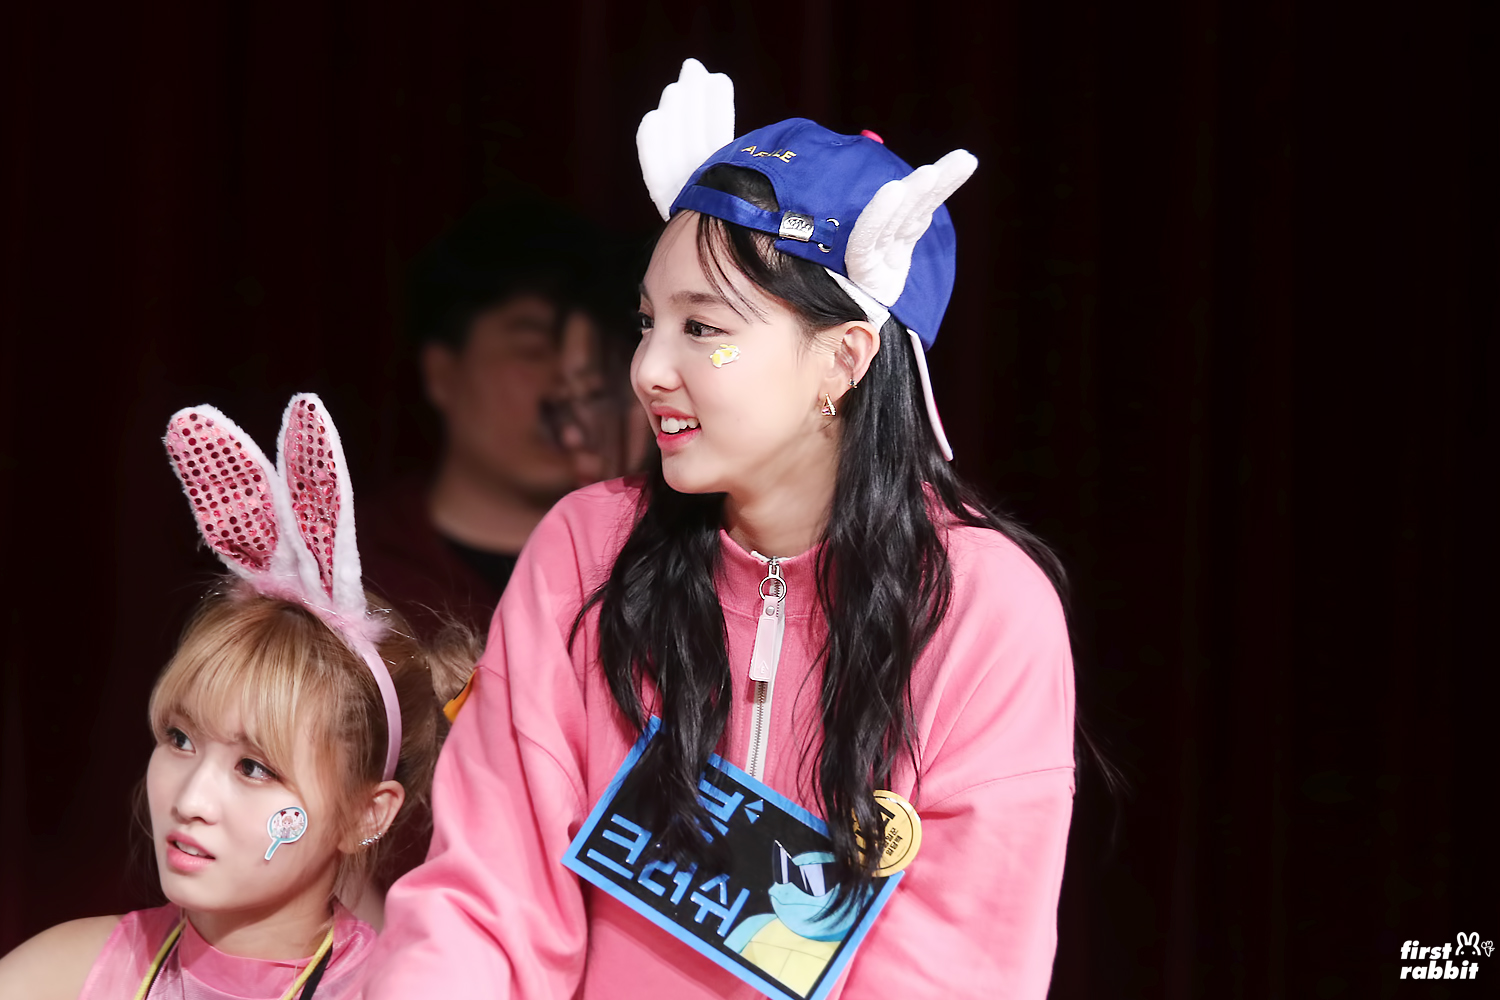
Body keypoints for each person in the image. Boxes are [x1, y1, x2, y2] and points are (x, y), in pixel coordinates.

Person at [367, 59, 1076, 999]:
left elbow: (954, 971)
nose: (647, 370)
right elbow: (484, 907)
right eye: (647, 322)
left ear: (845, 358)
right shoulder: (586, 548)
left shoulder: (982, 607)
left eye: (702, 329)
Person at [0, 395, 469, 1000]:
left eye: (254, 768)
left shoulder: (398, 990)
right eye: (179, 739)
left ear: (365, 814)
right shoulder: (60, 976)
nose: (191, 800)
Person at [360, 195, 645, 638]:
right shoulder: (356, 569)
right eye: (534, 350)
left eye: (592, 360)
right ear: (442, 373)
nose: (568, 388)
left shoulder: (657, 564)